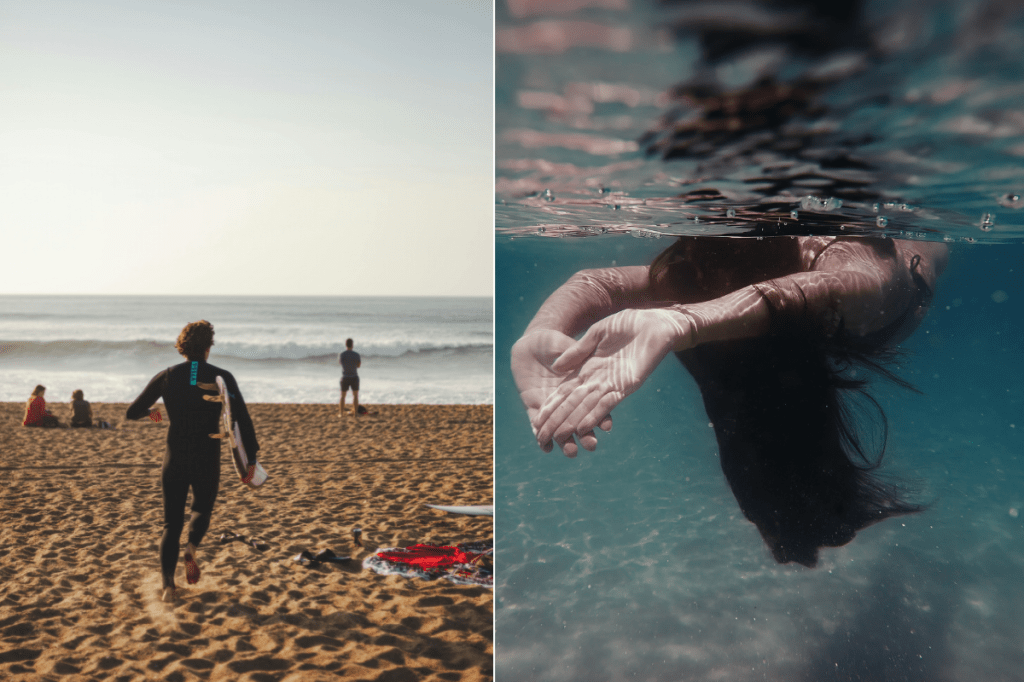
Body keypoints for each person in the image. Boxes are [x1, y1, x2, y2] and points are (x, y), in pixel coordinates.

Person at [512, 235, 948, 567]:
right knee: (758, 441)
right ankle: (789, 520)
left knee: (768, 446)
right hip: (785, 338)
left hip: (893, 298)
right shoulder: (699, 277)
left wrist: (683, 320)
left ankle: (794, 520)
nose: (689, 269)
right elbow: (595, 283)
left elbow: (847, 282)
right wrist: (543, 331)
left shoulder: (847, 271)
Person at [126, 320, 260, 602]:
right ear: (209, 346)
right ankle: (191, 548)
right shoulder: (223, 376)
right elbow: (241, 419)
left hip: (174, 454)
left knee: (171, 524)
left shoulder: (167, 375)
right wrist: (251, 458)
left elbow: (133, 411)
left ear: (182, 346)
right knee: (201, 508)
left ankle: (168, 587)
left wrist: (153, 413)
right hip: (206, 453)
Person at [339, 338, 362, 417]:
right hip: (354, 376)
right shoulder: (356, 355)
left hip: (345, 377)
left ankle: (341, 413)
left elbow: (341, 363)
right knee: (355, 396)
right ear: (352, 345)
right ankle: (355, 413)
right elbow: (358, 366)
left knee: (342, 396)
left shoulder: (342, 354)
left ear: (346, 345)